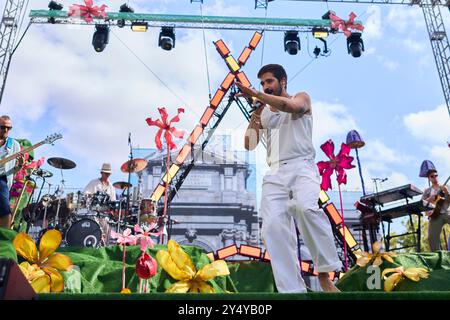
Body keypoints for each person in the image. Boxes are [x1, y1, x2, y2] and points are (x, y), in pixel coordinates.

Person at [236, 64, 341, 293]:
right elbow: (249, 143)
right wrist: (256, 111)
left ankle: (325, 273)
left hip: (302, 166)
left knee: (305, 208)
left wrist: (256, 93)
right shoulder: (263, 112)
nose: (266, 86)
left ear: (283, 81)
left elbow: (289, 106)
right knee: (272, 228)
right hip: (275, 172)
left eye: (269, 81)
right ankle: (292, 290)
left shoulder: (301, 97)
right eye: (263, 83)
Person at [0, 115, 22, 229]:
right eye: (3, 127)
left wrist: (20, 163)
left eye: (9, 128)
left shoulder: (14, 145)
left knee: (4, 209)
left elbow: (16, 169)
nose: (6, 130)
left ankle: (4, 238)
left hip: (2, 179)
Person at [422, 169, 450, 251]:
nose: (435, 177)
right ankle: (438, 258)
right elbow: (422, 203)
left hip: (447, 212)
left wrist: (447, 192)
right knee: (432, 237)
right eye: (432, 176)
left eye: (436, 175)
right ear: (429, 179)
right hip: (435, 215)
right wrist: (430, 199)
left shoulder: (446, 186)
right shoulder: (427, 191)